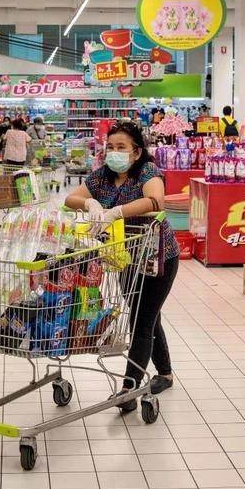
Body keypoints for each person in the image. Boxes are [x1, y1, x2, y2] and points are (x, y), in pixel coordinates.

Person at [64, 121, 180, 411]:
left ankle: (128, 390)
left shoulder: (148, 172)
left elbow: (156, 201)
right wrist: (90, 205)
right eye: (110, 147)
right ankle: (164, 374)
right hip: (124, 257)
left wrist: (116, 212)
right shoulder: (101, 178)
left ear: (136, 151)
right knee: (147, 315)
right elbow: (70, 198)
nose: (114, 152)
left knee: (141, 320)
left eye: (121, 147)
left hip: (158, 257)